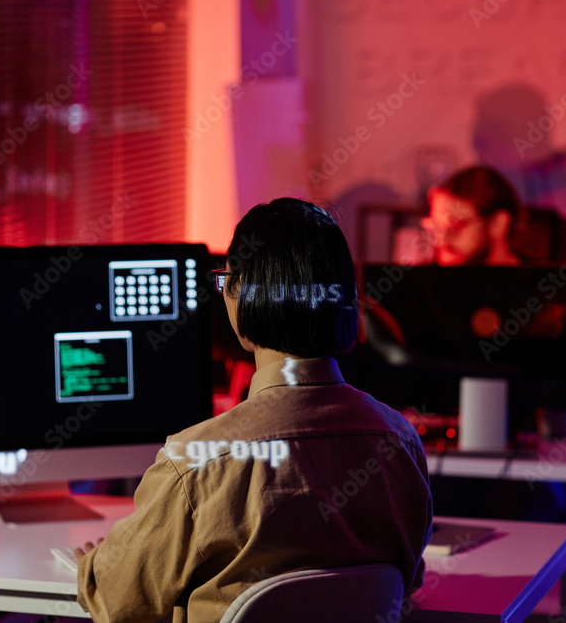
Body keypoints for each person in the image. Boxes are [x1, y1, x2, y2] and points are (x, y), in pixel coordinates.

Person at [76, 197, 433, 623]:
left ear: (239, 294)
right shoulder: (400, 443)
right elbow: (406, 579)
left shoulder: (194, 461)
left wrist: (92, 567)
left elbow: (119, 602)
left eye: (225, 278)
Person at [420, 165, 522, 266]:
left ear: (498, 223)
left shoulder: (530, 280)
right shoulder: (424, 279)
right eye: (436, 228)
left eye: (455, 227)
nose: (442, 241)